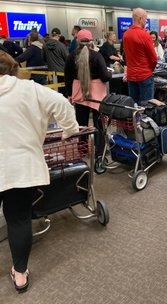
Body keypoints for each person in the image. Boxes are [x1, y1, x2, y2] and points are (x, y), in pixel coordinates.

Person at [0, 51, 79, 293]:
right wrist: (69, 129)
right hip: (20, 167)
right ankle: (20, 273)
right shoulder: (30, 89)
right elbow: (62, 104)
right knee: (18, 219)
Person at [64, 29, 111, 156]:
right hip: (97, 95)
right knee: (99, 124)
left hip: (79, 93)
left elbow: (67, 78)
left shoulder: (71, 56)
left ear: (77, 41)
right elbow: (105, 77)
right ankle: (100, 152)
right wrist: (110, 73)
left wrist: (69, 94)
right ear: (91, 41)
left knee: (81, 124)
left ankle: (82, 151)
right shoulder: (97, 56)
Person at [123, 8, 157, 105]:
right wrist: (150, 69)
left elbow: (126, 55)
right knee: (147, 107)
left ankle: (135, 121)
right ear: (140, 19)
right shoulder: (145, 35)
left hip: (131, 75)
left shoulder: (126, 34)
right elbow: (154, 58)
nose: (146, 21)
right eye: (145, 19)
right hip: (145, 75)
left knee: (134, 106)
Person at [42, 27, 68, 94]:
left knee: (55, 91)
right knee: (63, 91)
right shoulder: (61, 46)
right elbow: (67, 59)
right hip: (62, 72)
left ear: (51, 35)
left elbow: (44, 59)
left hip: (51, 73)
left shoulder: (45, 46)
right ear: (59, 36)